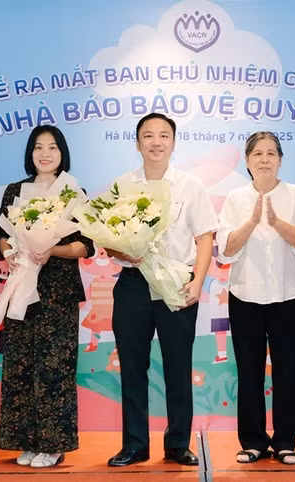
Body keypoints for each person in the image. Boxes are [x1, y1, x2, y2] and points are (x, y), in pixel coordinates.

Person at [106, 113, 217, 467]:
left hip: (177, 283)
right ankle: (135, 444)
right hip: (133, 285)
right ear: (137, 143)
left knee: (177, 367)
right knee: (133, 367)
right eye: (148, 135)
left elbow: (205, 238)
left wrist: (197, 282)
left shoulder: (190, 185)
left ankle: (178, 443)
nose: (156, 142)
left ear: (173, 142)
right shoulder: (121, 186)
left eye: (164, 135)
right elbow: (107, 240)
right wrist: (120, 250)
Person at [0, 126, 95, 468]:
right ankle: (25, 440)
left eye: (52, 147)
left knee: (55, 368)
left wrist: (53, 249)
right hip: (22, 287)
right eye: (38, 147)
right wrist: (15, 252)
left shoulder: (73, 193)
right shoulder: (14, 191)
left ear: (62, 153)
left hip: (58, 293)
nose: (45, 153)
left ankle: (53, 444)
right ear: (30, 153)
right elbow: (2, 237)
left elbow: (86, 244)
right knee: (20, 365)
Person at [216, 131, 295, 465]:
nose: (264, 159)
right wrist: (252, 221)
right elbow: (226, 250)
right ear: (247, 161)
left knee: (287, 370)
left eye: (271, 153)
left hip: (288, 295)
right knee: (249, 371)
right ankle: (254, 441)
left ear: (280, 160)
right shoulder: (235, 198)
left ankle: (286, 440)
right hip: (245, 295)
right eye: (257, 154)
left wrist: (275, 221)